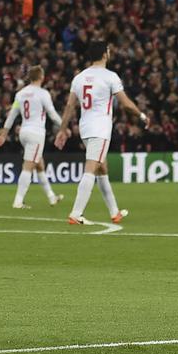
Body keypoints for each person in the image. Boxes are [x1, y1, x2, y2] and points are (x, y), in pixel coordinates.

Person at [54, 42, 146, 225]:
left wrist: (63, 129)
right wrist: (142, 115)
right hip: (100, 129)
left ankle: (114, 212)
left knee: (102, 168)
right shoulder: (110, 77)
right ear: (104, 54)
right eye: (108, 50)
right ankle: (76, 213)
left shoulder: (79, 78)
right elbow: (126, 104)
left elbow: (70, 106)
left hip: (85, 128)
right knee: (91, 168)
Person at [0, 65, 64, 209]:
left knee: (39, 164)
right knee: (28, 166)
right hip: (36, 133)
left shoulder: (20, 94)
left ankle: (51, 197)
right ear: (41, 77)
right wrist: (64, 126)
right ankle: (18, 201)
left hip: (23, 132)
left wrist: (4, 133)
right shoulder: (43, 93)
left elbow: (12, 115)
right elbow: (52, 113)